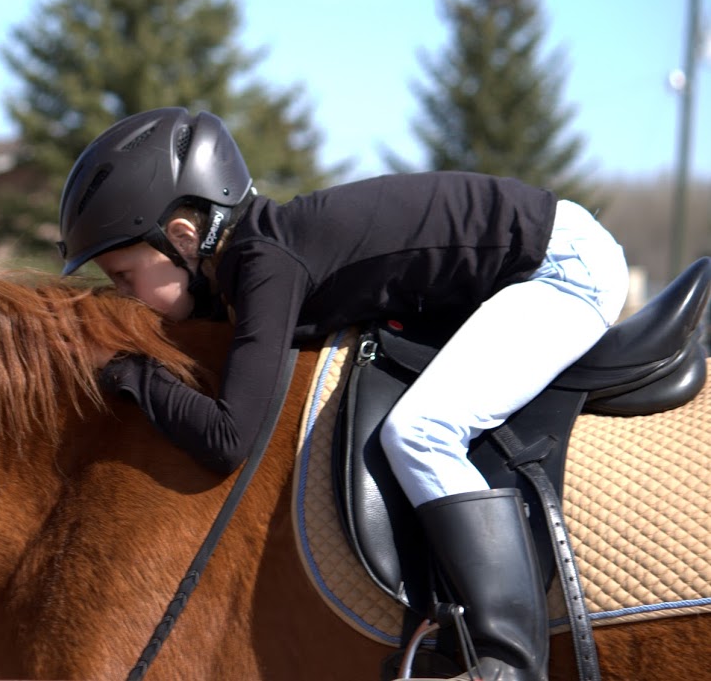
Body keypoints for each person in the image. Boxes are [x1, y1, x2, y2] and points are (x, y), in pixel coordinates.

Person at [56, 107, 628, 681]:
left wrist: (127, 370)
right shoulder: (258, 251)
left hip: (563, 270)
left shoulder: (264, 263)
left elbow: (228, 438)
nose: (124, 296)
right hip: (530, 258)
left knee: (423, 433)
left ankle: (507, 660)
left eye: (125, 277)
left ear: (182, 237)